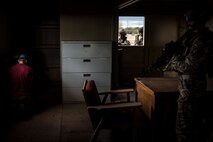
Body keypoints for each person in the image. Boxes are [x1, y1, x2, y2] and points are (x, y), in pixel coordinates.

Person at [162, 6, 213, 142]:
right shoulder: (193, 38)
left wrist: (173, 61)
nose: (187, 22)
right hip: (188, 90)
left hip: (191, 92)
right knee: (186, 128)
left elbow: (188, 67)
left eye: (190, 18)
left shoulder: (201, 40)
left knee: (183, 130)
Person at [8, 53, 34, 120]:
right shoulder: (29, 69)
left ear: (18, 60)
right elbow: (31, 83)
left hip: (12, 95)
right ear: (26, 61)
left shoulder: (10, 69)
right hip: (24, 96)